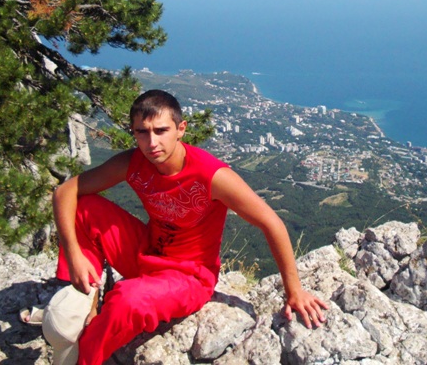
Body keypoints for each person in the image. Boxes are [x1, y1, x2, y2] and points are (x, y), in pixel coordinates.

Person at [50, 89, 328, 365]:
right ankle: (80, 297)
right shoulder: (133, 162)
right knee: (84, 207)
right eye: (142, 132)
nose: (152, 142)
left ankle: (82, 359)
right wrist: (75, 255)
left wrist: (294, 291)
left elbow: (271, 222)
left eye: (161, 130)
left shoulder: (212, 175)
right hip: (147, 252)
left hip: (189, 277)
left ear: (180, 129)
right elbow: (65, 192)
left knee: (126, 300)